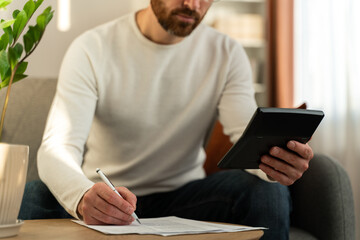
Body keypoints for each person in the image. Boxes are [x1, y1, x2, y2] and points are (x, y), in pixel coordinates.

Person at [20, 0, 314, 239]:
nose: (192, 5)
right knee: (33, 194)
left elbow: (244, 136)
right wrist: (83, 197)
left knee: (268, 190)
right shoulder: (92, 48)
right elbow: (58, 146)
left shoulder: (226, 52)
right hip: (110, 195)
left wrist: (275, 166)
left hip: (187, 197)